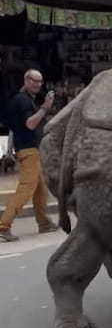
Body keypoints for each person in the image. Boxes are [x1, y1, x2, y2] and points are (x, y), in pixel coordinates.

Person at [0, 69, 57, 243]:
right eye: (34, 81)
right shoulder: (23, 100)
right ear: (26, 80)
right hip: (29, 150)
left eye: (40, 81)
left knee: (40, 189)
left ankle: (43, 222)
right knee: (26, 189)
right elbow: (30, 124)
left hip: (31, 149)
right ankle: (3, 227)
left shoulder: (22, 99)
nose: (38, 85)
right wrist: (45, 107)